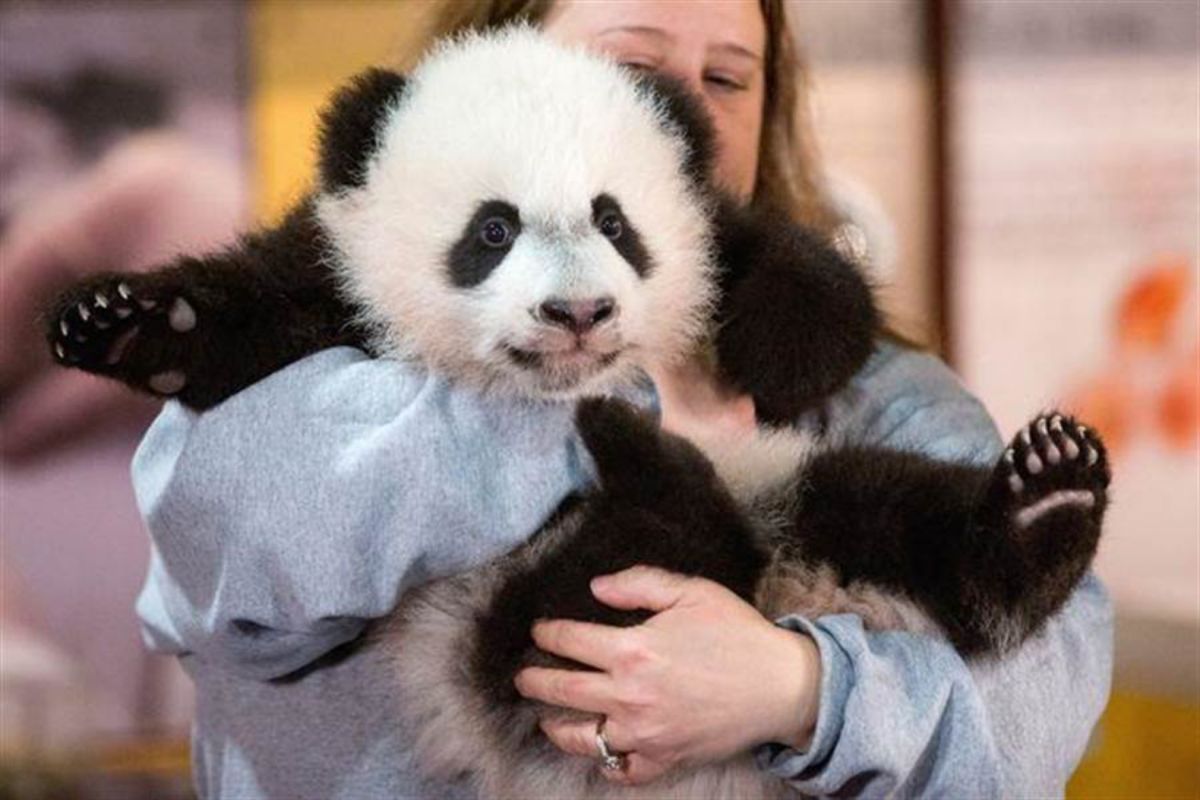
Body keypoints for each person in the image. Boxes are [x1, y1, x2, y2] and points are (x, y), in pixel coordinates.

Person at [130, 1, 1112, 797]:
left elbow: (1039, 712)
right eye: (631, 67)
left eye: (730, 76)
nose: (685, 107)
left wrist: (796, 688)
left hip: (746, 592)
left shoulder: (879, 390)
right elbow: (230, 543)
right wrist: (602, 414)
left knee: (868, 503)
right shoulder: (323, 353)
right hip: (511, 680)